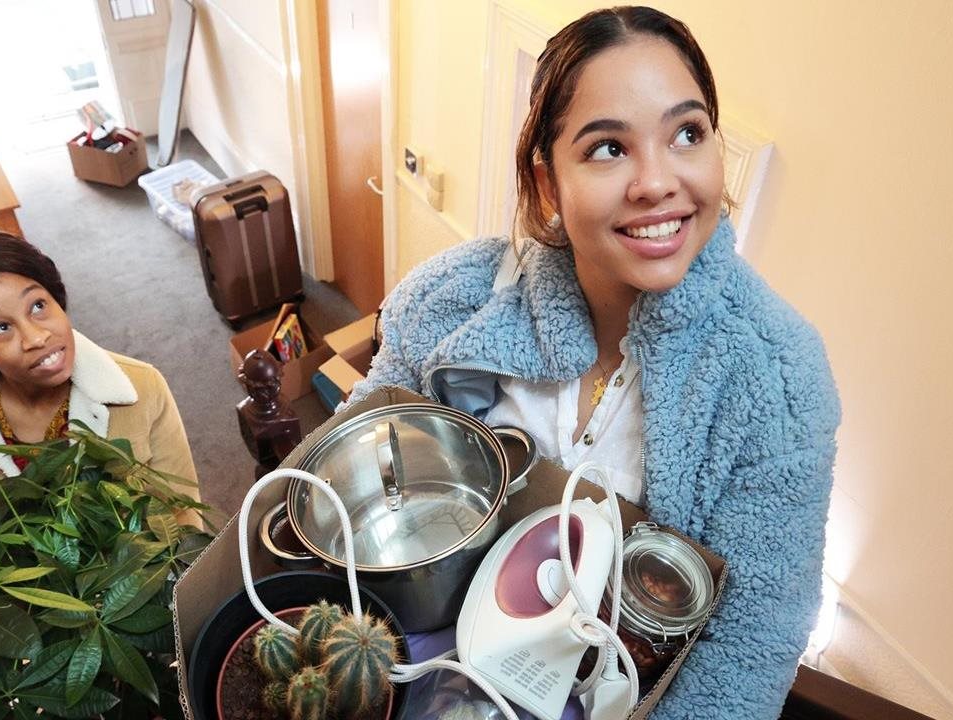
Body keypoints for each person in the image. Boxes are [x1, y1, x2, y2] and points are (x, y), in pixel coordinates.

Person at [349, 7, 840, 718]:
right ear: (549, 184)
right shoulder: (451, 303)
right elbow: (352, 471)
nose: (657, 182)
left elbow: (748, 653)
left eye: (686, 134)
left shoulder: (779, 380)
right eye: (608, 148)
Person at [0, 231, 199, 510]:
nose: (36, 338)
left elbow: (183, 515)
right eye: (1, 327)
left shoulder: (142, 387)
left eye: (38, 306)